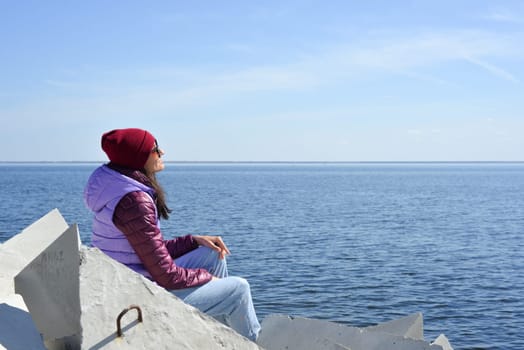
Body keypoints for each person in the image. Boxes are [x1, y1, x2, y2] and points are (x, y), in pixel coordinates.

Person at [84, 128, 261, 341]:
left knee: (211, 253)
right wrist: (206, 278)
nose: (162, 152)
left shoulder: (117, 188)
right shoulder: (135, 202)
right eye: (155, 149)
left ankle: (219, 337)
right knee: (239, 290)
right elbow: (165, 275)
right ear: (139, 157)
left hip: (131, 279)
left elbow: (146, 250)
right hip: (137, 293)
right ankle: (250, 344)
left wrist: (193, 241)